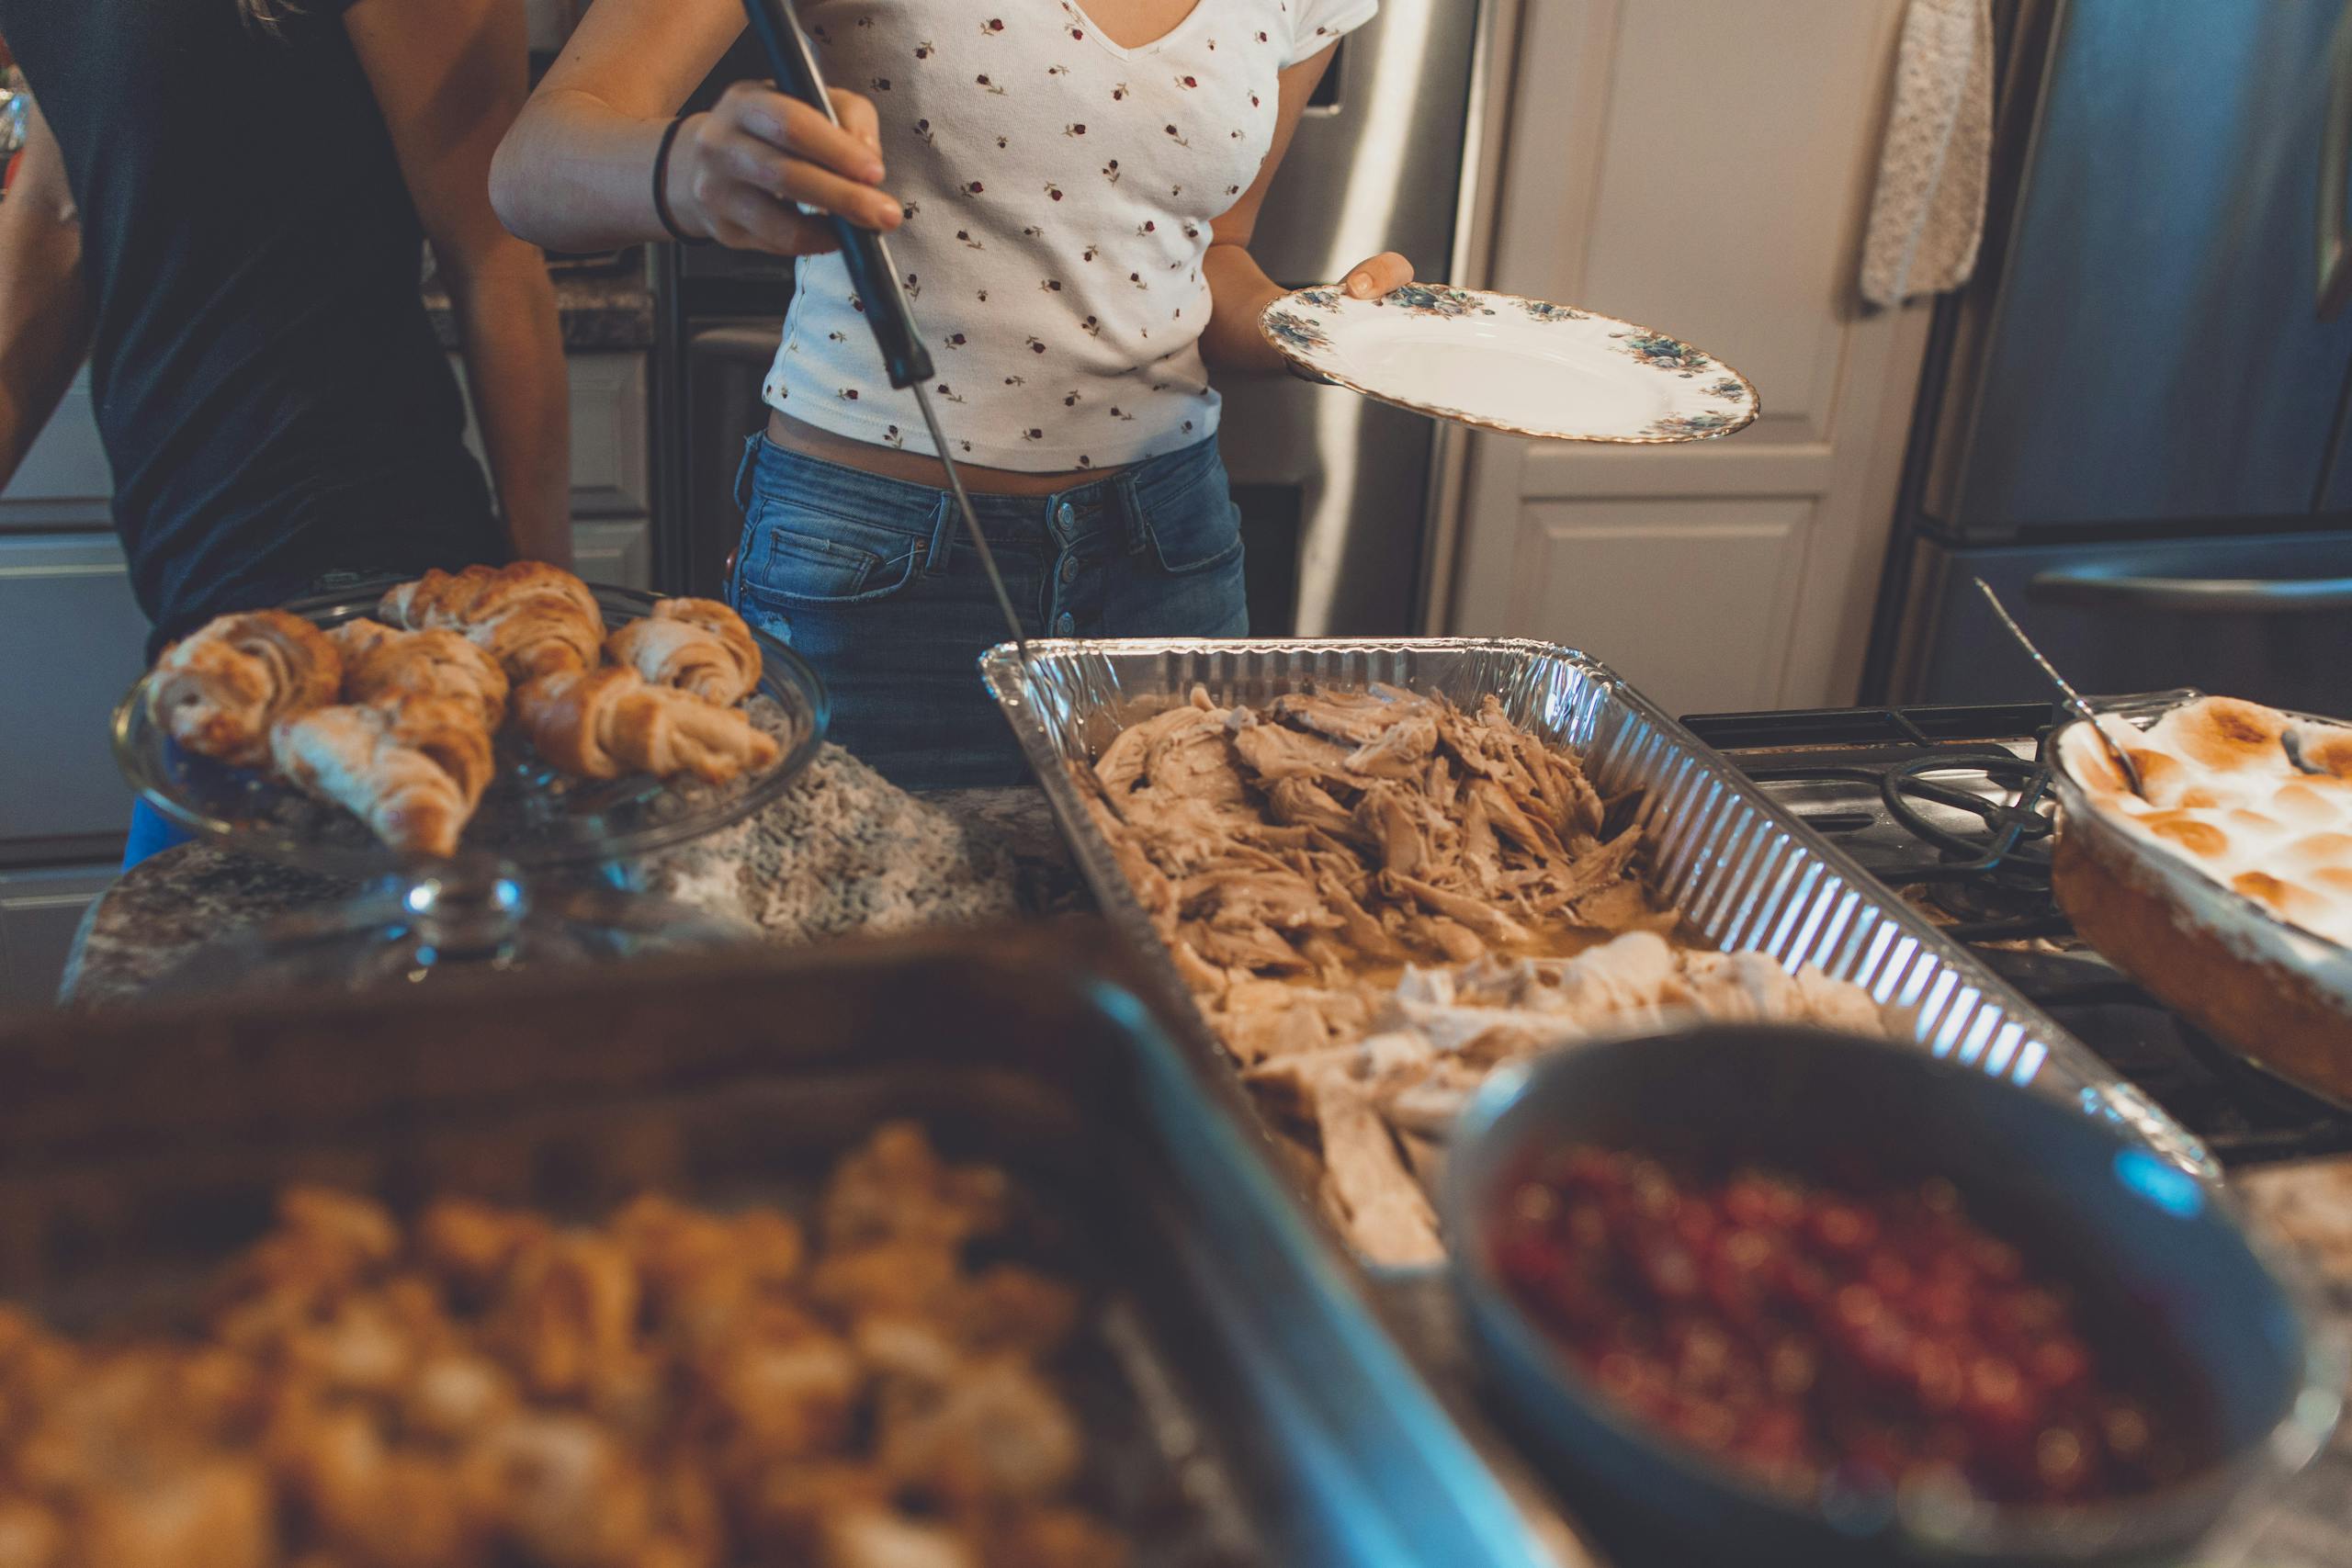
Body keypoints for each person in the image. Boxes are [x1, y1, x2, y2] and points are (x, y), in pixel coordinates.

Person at [494, 0, 1406, 788]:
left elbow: (1214, 258)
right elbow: (531, 167)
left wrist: (1317, 328)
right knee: (860, 964)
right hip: (875, 563)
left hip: (1168, 556)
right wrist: (690, 171)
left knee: (1158, 957)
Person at [0, 0, 570, 865]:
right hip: (191, 580)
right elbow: (62, 198)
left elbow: (494, 250)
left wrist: (548, 621)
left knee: (204, 985)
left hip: (351, 583)